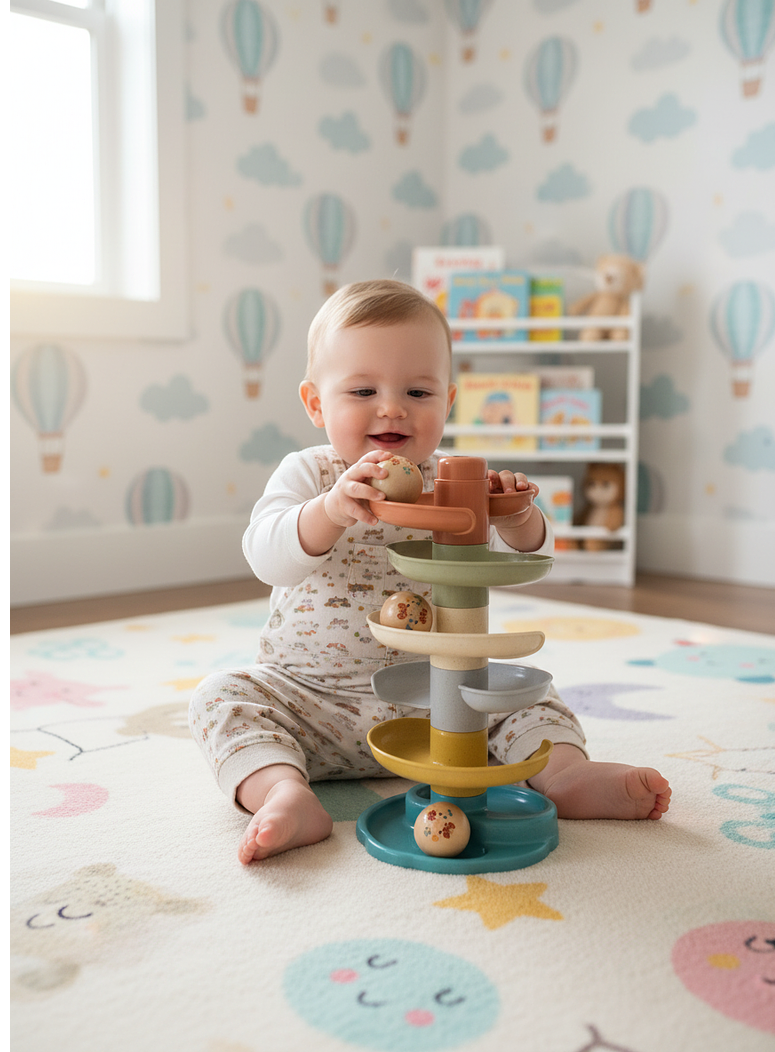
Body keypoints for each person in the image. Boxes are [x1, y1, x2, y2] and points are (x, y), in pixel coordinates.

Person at [189, 279, 671, 865]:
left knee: (526, 694)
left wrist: (517, 515)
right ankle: (285, 794)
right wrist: (328, 512)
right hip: (310, 699)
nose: (392, 407)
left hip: (444, 702)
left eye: (418, 391)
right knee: (221, 696)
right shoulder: (308, 474)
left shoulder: (453, 479)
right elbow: (266, 555)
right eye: (363, 389)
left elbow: (528, 557)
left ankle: (568, 775)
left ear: (447, 403)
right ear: (316, 403)